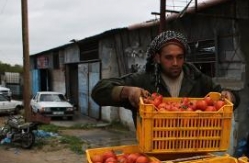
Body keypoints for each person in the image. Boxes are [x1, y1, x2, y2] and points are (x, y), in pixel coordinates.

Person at [91, 30, 239, 124]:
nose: (175, 63)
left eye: (180, 57)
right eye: (169, 57)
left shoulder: (197, 78)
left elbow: (229, 97)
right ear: (157, 58)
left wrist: (230, 96)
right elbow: (98, 92)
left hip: (191, 152)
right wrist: (127, 92)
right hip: (154, 154)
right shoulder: (143, 80)